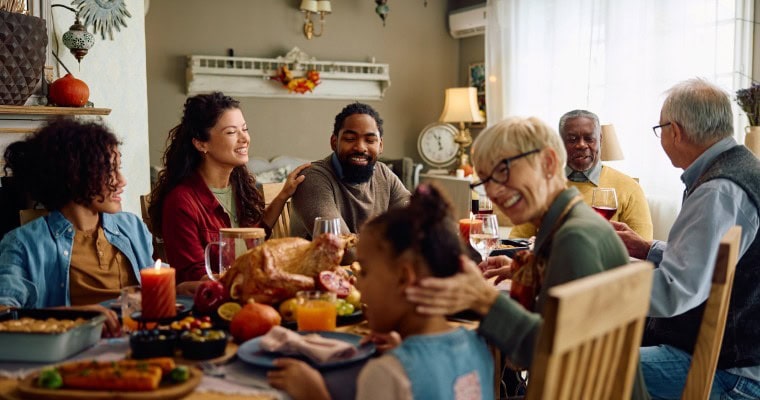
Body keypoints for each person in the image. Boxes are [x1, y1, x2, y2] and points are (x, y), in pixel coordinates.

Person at [404, 116, 630, 371]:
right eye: (485, 180)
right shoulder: (571, 223)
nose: (493, 191)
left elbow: (551, 358)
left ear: (548, 162)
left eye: (502, 171)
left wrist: (484, 299)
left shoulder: (575, 238)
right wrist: (528, 269)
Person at [267, 183, 494, 400]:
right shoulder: (478, 346)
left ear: (404, 277)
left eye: (364, 272)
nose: (356, 285)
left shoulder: (387, 374)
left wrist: (314, 394)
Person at [612, 78, 760, 398]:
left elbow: (672, 293)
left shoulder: (718, 190)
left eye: (660, 129)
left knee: (587, 361)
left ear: (675, 131)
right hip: (740, 357)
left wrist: (597, 281)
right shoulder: (742, 167)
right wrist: (648, 249)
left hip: (731, 373)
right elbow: (710, 263)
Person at [0, 118, 153, 337]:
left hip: (139, 343)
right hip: (73, 357)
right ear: (74, 175)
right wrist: (72, 316)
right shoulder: (23, 243)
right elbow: (4, 314)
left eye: (118, 168)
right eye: (109, 171)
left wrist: (180, 289)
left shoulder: (132, 227)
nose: (122, 180)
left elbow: (153, 291)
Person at [148, 92, 309, 283]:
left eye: (245, 129)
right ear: (201, 144)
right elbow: (193, 277)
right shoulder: (181, 201)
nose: (244, 139)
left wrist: (283, 195)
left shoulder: (239, 188)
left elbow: (253, 239)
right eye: (232, 132)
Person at [510, 109, 653, 240]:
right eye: (572, 139)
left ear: (600, 140)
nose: (581, 145)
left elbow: (642, 252)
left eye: (589, 138)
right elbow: (517, 242)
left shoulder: (630, 188)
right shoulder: (540, 185)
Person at [290, 102, 410, 240]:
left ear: (380, 146)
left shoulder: (383, 174)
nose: (360, 147)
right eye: (350, 139)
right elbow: (341, 247)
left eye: (370, 140)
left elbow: (417, 223)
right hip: (322, 262)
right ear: (334, 142)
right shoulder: (313, 178)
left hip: (372, 261)